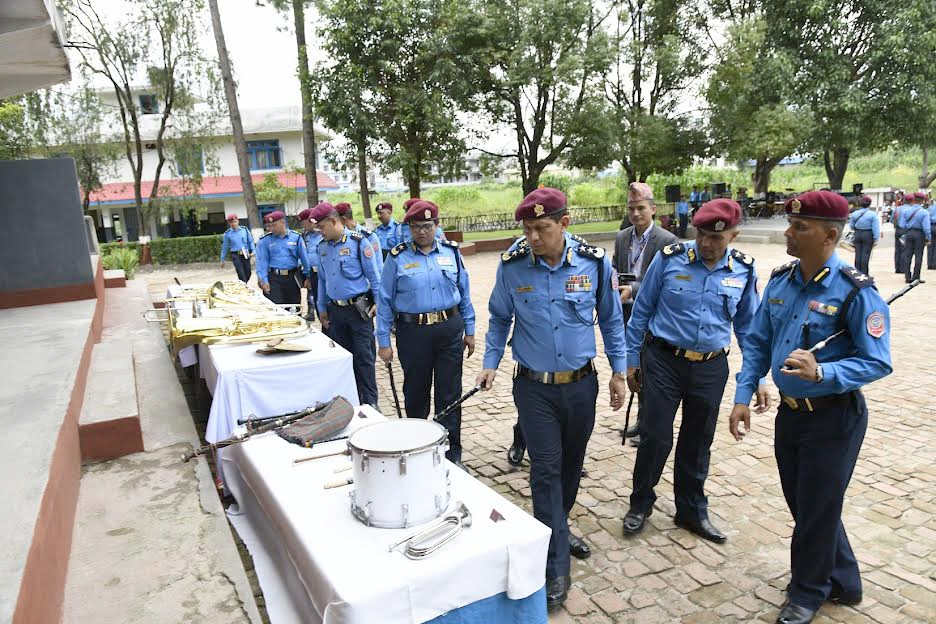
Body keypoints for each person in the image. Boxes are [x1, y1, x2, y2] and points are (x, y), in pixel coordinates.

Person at [729, 190, 892, 624]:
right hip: (790, 414)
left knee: (817, 507)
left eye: (800, 227)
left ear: (830, 235)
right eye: (790, 223)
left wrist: (825, 374)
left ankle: (807, 591)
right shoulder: (781, 282)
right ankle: (845, 579)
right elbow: (758, 342)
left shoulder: (855, 292)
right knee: (807, 504)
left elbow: (878, 361)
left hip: (835, 417)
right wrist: (744, 395)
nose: (789, 231)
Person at [476, 187, 628, 612]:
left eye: (542, 228)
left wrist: (619, 372)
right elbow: (500, 318)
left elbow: (612, 322)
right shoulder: (513, 267)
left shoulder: (595, 265)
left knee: (571, 464)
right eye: (527, 229)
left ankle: (556, 526)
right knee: (545, 469)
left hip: (581, 384)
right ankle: (555, 564)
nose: (533, 238)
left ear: (564, 223)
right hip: (534, 387)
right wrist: (490, 361)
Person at [622, 198, 768, 543]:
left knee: (698, 441)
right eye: (701, 235)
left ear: (733, 235)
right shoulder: (670, 259)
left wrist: (758, 376)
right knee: (655, 436)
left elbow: (750, 329)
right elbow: (641, 310)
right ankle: (640, 502)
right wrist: (630, 361)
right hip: (663, 360)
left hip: (710, 366)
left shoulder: (744, 270)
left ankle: (690, 510)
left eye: (716, 238)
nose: (706, 244)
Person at [377, 200, 476, 464]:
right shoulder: (397, 257)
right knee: (416, 392)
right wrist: (383, 340)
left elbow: (464, 293)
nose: (422, 232)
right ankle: (418, 449)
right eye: (416, 227)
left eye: (427, 226)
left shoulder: (452, 253)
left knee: (450, 393)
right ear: (409, 228)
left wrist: (470, 329)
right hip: (413, 332)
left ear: (436, 226)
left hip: (449, 329)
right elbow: (384, 299)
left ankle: (451, 452)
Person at [611, 182, 678, 447]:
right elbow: (616, 266)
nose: (636, 213)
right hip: (627, 312)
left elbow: (666, 282)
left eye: (641, 208)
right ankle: (640, 421)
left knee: (652, 371)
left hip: (654, 315)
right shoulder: (622, 237)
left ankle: (650, 426)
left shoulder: (667, 240)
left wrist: (634, 289)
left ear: (653, 209)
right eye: (631, 208)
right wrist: (615, 284)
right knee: (634, 366)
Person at [312, 202, 381, 406]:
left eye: (321, 227)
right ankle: (350, 400)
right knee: (343, 358)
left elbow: (374, 277)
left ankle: (370, 402)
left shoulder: (359, 243)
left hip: (359, 310)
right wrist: (322, 307)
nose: (319, 232)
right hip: (336, 311)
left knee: (364, 358)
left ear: (334, 221)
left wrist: (379, 303)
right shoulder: (322, 248)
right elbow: (323, 281)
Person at [255, 211, 310, 307]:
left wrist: (308, 276)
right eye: (269, 226)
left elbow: (304, 258)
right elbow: (262, 262)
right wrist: (264, 280)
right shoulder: (265, 241)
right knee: (276, 308)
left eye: (274, 225)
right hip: (274, 278)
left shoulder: (296, 238)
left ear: (282, 222)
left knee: (294, 307)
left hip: (292, 277)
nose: (271, 229)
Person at [336, 202, 383, 272]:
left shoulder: (368, 236)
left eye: (336, 219)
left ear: (343, 218)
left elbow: (378, 263)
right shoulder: (339, 237)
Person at [297, 207, 323, 322]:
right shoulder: (304, 235)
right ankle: (312, 312)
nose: (303, 226)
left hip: (323, 271)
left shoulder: (323, 233)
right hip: (309, 270)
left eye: (304, 223)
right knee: (310, 292)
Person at [901, 192, 931, 283]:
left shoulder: (906, 211)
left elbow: (902, 225)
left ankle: (907, 276)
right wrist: (928, 237)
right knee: (918, 256)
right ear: (922, 201)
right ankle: (916, 277)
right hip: (919, 234)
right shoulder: (925, 212)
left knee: (908, 255)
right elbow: (926, 227)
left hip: (909, 233)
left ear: (913, 200)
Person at [848, 195, 879, 275]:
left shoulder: (855, 214)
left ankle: (857, 273)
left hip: (857, 234)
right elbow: (875, 227)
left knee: (858, 254)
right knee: (865, 254)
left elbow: (851, 226)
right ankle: (864, 273)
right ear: (869, 204)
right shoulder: (873, 214)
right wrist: (876, 238)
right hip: (868, 234)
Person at [219, 214, 254, 283]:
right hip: (236, 255)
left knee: (248, 272)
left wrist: (253, 251)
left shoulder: (245, 230)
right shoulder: (227, 234)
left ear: (238, 221)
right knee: (240, 272)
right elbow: (224, 247)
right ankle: (244, 286)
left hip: (245, 253)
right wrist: (222, 260)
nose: (234, 224)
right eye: (231, 222)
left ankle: (243, 284)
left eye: (235, 221)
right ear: (229, 223)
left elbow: (251, 241)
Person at [892, 195, 906, 274]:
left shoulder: (896, 209)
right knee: (904, 249)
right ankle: (903, 268)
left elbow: (892, 220)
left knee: (897, 249)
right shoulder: (908, 209)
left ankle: (897, 268)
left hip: (897, 230)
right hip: (905, 230)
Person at [928, 195, 936, 269]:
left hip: (931, 226)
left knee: (930, 246)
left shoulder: (930, 208)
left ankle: (929, 263)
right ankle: (934, 263)